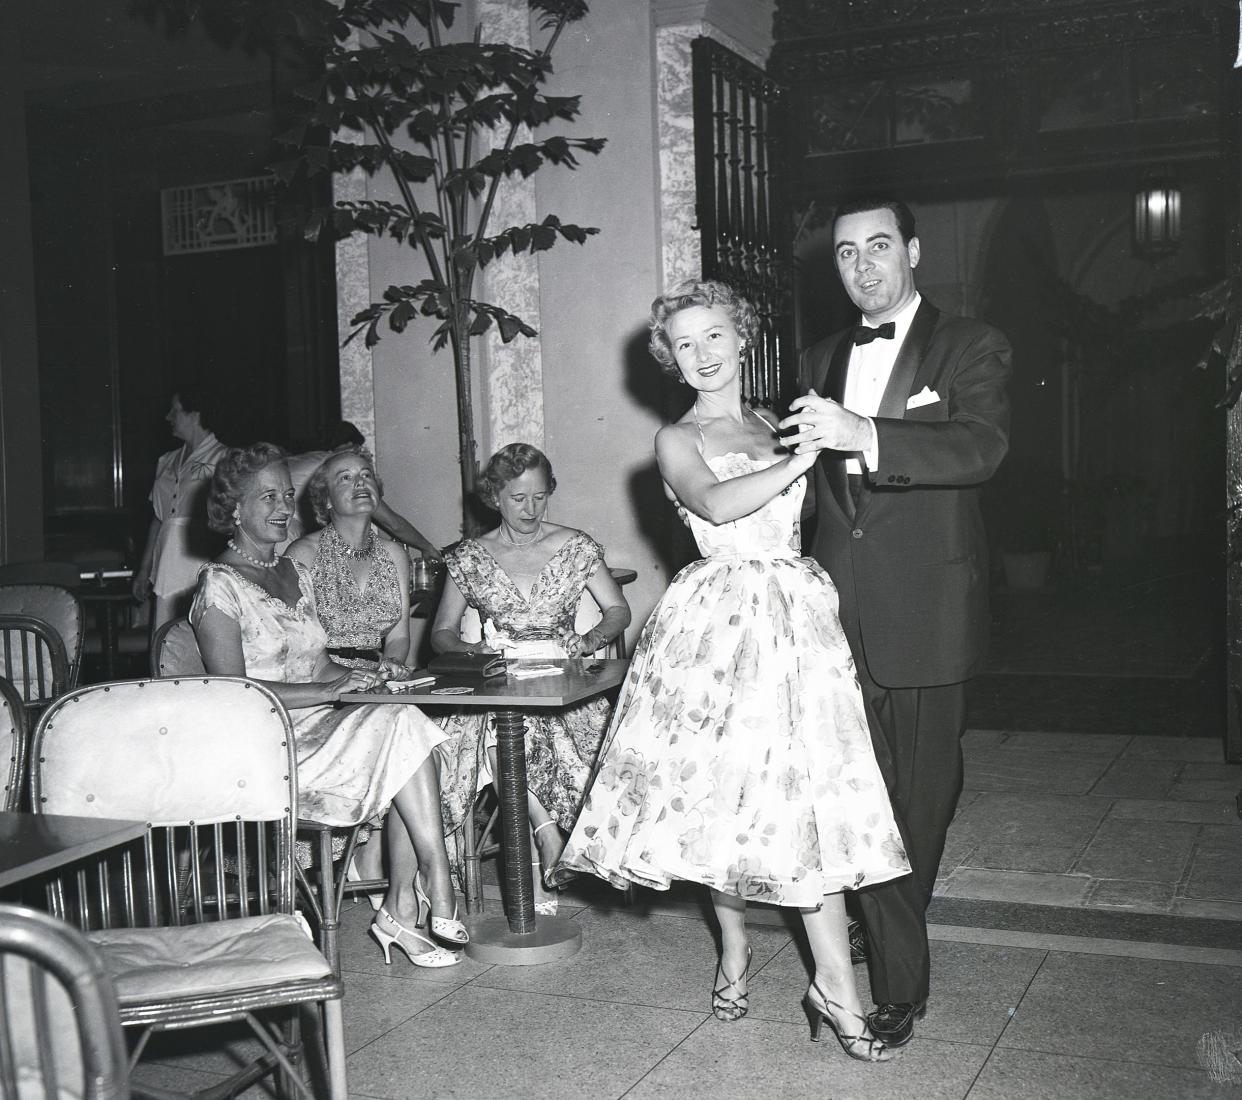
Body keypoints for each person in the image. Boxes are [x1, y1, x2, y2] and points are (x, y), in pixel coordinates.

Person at [554, 281, 909, 1062]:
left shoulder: (775, 423)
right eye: (685, 344)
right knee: (729, 808)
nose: (703, 354)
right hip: (721, 631)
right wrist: (806, 457)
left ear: (742, 338)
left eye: (714, 335)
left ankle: (835, 988)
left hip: (798, 625)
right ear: (671, 361)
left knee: (806, 806)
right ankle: (736, 950)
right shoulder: (676, 439)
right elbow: (715, 507)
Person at [780, 196, 1011, 1047]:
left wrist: (864, 431)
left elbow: (981, 446)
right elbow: (811, 495)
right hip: (835, 620)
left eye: (879, 246)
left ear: (912, 250)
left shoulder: (969, 344)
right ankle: (898, 983)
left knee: (921, 800)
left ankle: (882, 943)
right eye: (846, 254)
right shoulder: (817, 356)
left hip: (929, 615)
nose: (863, 266)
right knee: (856, 804)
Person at [191, 442, 466, 969]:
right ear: (233, 510)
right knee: (404, 731)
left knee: (404, 717)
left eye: (288, 496)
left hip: (321, 723)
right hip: (268, 744)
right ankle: (428, 886)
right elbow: (233, 694)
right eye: (267, 497)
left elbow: (318, 666)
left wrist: (369, 676)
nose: (283, 508)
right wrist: (328, 692)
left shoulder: (293, 575)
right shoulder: (217, 586)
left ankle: (429, 881)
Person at [430, 443, 630, 913]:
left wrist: (590, 639)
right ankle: (545, 837)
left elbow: (617, 610)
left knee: (528, 727)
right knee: (505, 724)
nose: (531, 509)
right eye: (518, 498)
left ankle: (544, 841)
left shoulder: (575, 546)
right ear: (494, 498)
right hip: (498, 679)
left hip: (565, 681)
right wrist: (472, 651)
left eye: (540, 497)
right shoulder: (470, 558)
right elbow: (441, 633)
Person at [286, 444, 418, 904]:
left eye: (366, 475)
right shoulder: (302, 554)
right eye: (346, 477)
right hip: (323, 680)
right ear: (324, 499)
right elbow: (301, 644)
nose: (360, 483)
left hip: (379, 677)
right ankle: (378, 861)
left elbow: (398, 634)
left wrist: (393, 662)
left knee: (418, 720)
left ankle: (380, 857)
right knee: (397, 725)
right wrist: (348, 677)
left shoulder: (394, 554)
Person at [132, 385, 228, 631]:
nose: (168, 418)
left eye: (175, 411)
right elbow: (158, 518)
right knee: (164, 634)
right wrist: (144, 570)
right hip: (166, 562)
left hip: (200, 556)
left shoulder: (223, 458)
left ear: (194, 414)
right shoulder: (166, 461)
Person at [282, 422, 443, 561]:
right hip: (290, 536)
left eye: (366, 474)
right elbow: (393, 523)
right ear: (350, 444)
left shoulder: (308, 458)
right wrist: (427, 547)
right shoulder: (335, 467)